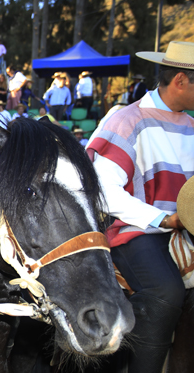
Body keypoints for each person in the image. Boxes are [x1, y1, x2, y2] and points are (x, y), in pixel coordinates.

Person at [86, 41, 194, 373]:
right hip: (132, 228)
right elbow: (104, 189)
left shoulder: (192, 126)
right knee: (165, 290)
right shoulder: (127, 120)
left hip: (182, 229)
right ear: (180, 81)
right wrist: (164, 217)